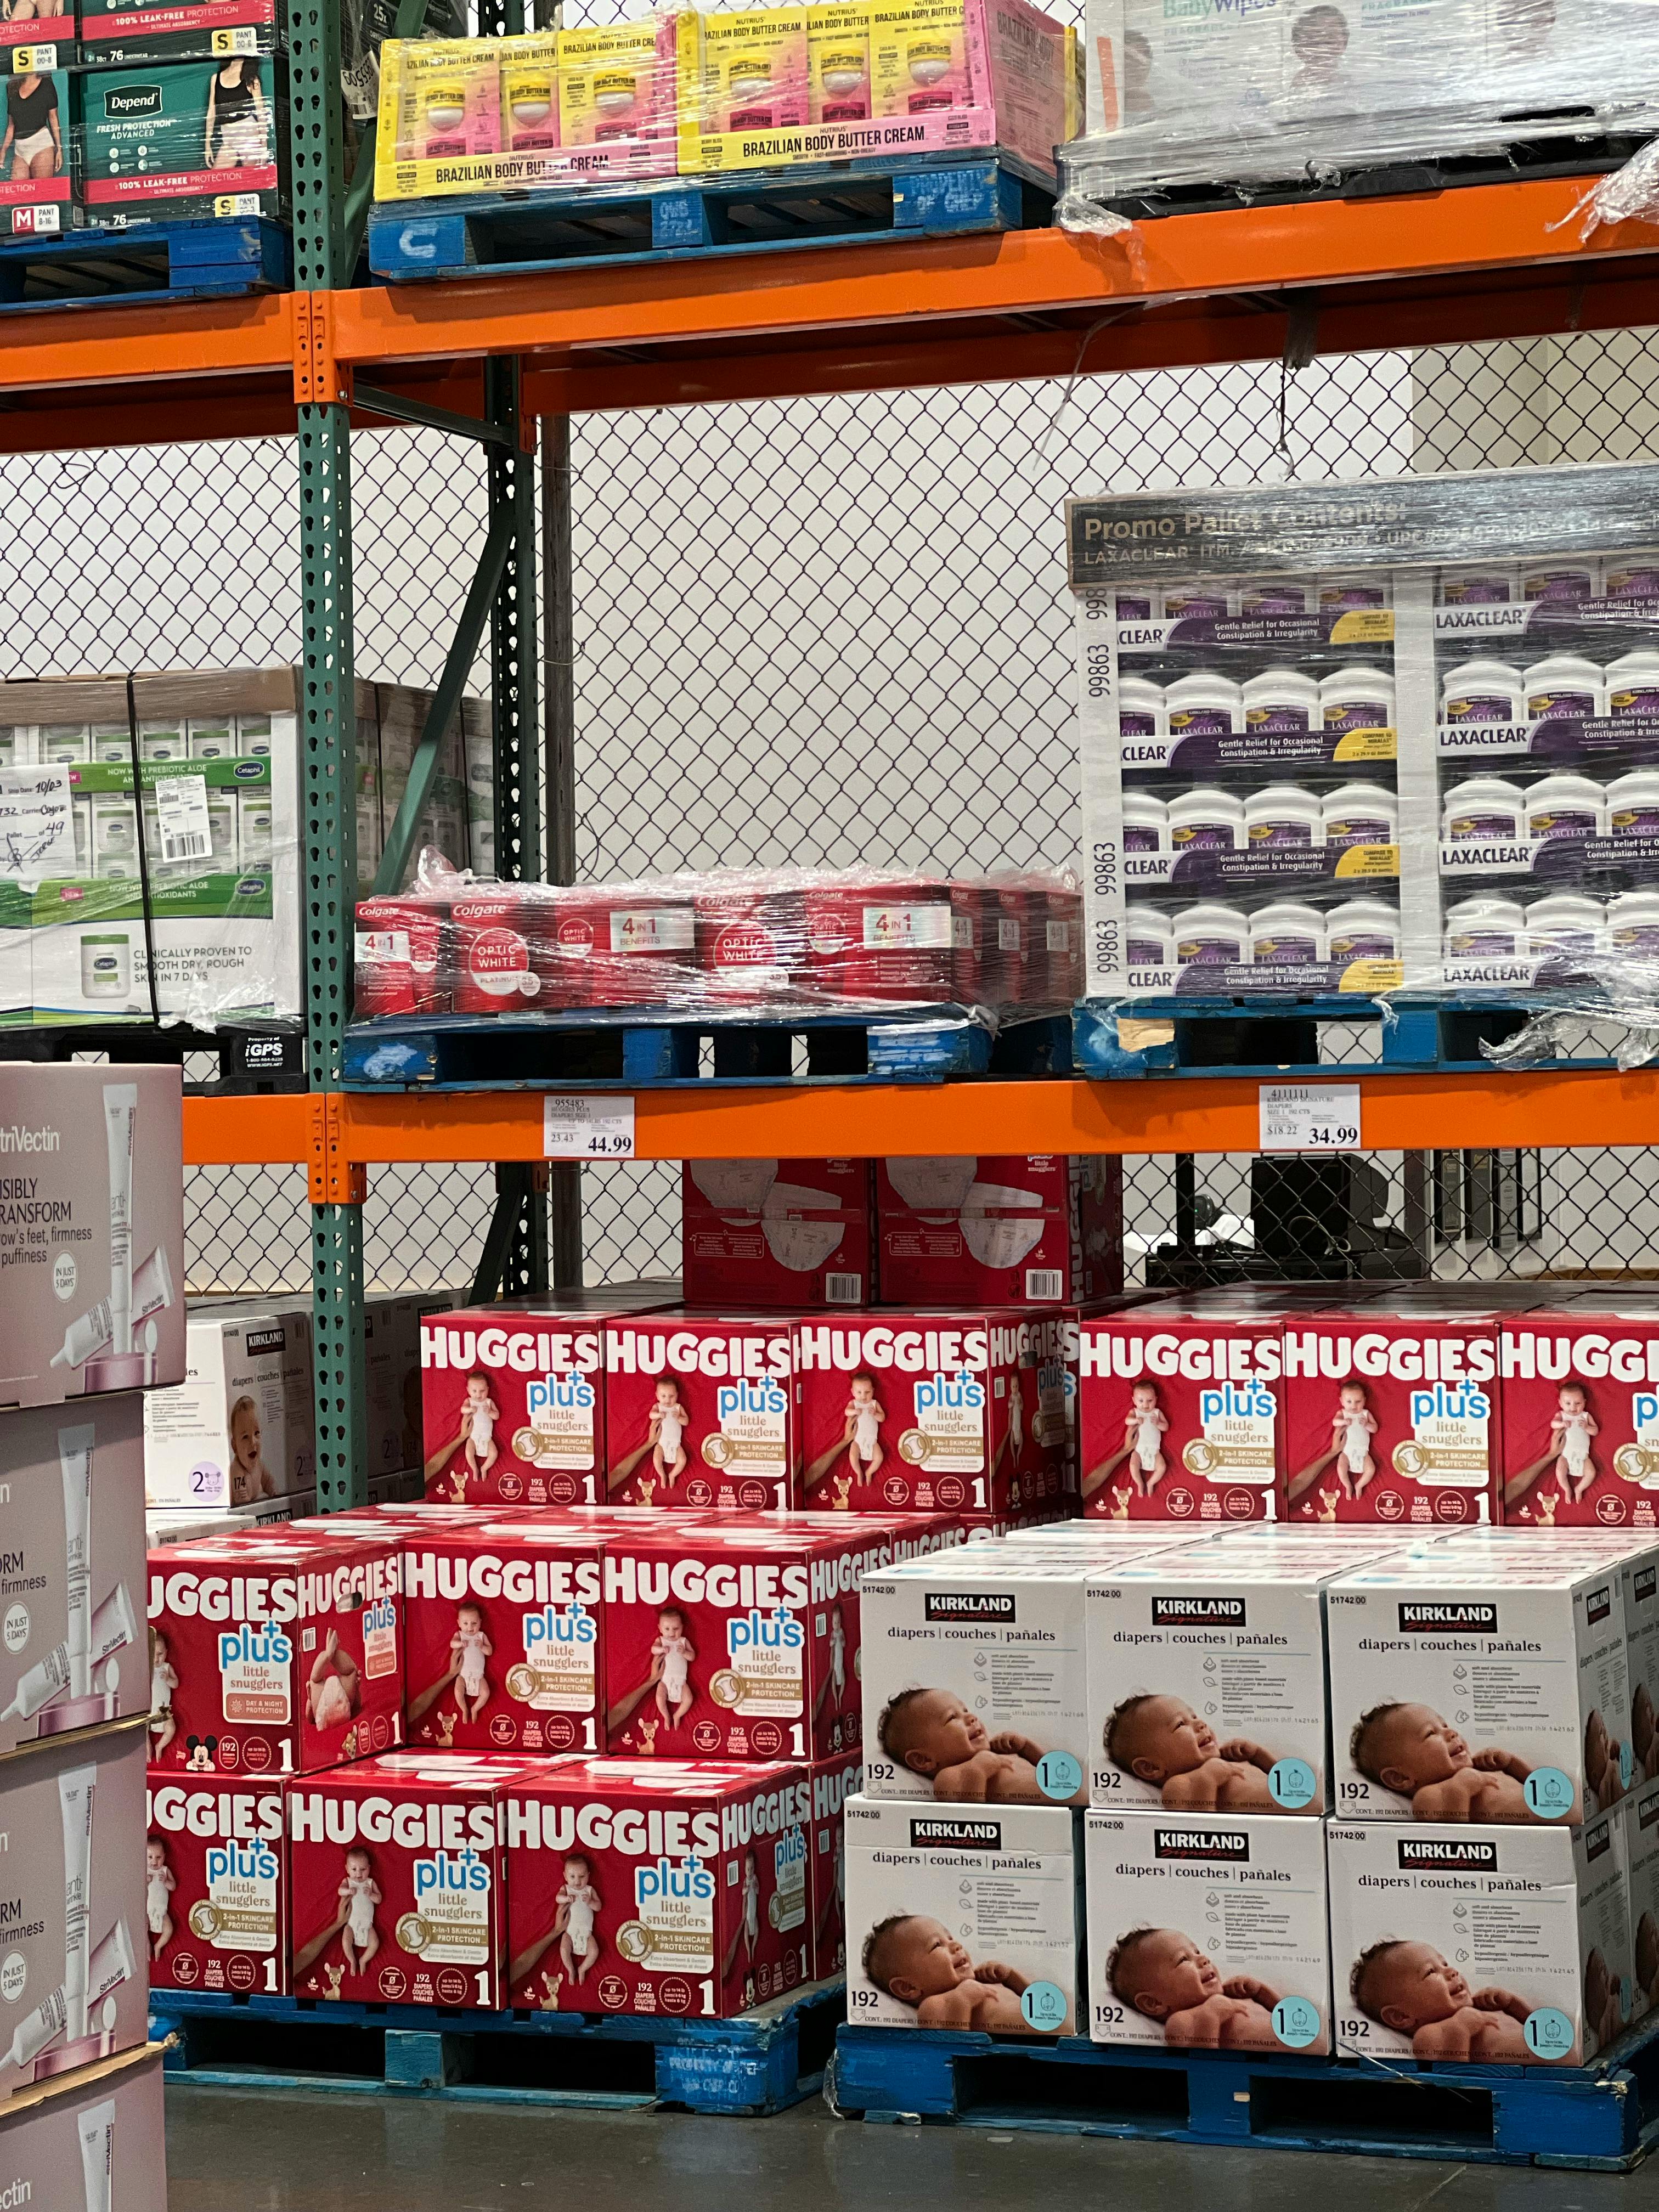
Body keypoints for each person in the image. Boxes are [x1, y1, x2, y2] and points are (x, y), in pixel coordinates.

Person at [877, 1685, 1076, 1803]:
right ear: (923, 1759)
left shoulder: (997, 1750)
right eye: (952, 1718)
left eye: (965, 1710)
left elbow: (1051, 1770)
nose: (971, 1717)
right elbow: (970, 1820)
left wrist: (1025, 1747)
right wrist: (978, 1771)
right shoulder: (949, 1777)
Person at [1350, 1940, 1543, 2059]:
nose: (1452, 1971)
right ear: (1400, 2016)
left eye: (1444, 1964)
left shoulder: (1480, 2005)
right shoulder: (1428, 2035)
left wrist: (1510, 2003)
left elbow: (1533, 2023)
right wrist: (1461, 2029)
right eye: (1431, 1972)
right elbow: (1452, 2075)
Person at [1349, 1701, 1538, 1819]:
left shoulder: (1480, 1766)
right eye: (1431, 1733)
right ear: (1400, 1778)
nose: (1451, 1733)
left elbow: (1534, 1783)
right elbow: (1454, 1840)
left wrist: (1511, 1763)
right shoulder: (1429, 1797)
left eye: (1445, 1725)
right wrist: (1460, 1790)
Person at [1107, 1927, 1284, 2049]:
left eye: (1197, 1952)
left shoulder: (1231, 1994)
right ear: (1153, 2003)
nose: (1204, 1959)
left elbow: (1286, 2013)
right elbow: (1201, 2064)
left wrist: (1260, 1991)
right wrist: (1211, 2016)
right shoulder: (1181, 2021)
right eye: (1183, 1959)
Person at [1105, 1692, 1282, 1809]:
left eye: (1194, 1717)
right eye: (1181, 1724)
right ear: (1150, 1768)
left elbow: (1280, 1776)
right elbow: (1199, 1832)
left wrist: (1257, 1754)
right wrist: (1208, 1779)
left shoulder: (1228, 1757)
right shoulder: (1179, 1785)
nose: (1201, 1724)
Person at [861, 1914, 1032, 2030]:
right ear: (908, 1987)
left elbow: (1038, 1999)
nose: (956, 1945)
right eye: (937, 1945)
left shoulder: (983, 1979)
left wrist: (1011, 1977)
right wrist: (962, 2001)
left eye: (950, 1938)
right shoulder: (934, 2006)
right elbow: (952, 2052)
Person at [205, 57, 269, 171]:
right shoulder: (216, 78)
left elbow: (261, 111)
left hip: (249, 136)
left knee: (250, 177)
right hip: (228, 137)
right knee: (217, 176)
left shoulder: (252, 80)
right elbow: (211, 112)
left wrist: (264, 144)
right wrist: (207, 145)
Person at [1, 71, 60, 188]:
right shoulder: (12, 87)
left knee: (43, 192)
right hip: (20, 149)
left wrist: (59, 149)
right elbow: (11, 125)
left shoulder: (46, 84)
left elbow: (53, 118)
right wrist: (3, 150)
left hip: (41, 144)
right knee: (19, 195)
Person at [556, 1854, 601, 1984]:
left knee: (594, 1951)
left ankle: (582, 1969)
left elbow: (599, 1906)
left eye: (582, 1877)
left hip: (587, 1934)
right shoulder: (566, 1889)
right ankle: (571, 1969)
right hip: (569, 1933)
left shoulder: (589, 1890)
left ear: (588, 1875)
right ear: (565, 1876)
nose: (577, 1882)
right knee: (564, 1950)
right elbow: (558, 1898)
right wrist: (565, 1898)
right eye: (572, 1877)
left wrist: (591, 1903)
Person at [338, 1846, 381, 1974]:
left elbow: (379, 1899)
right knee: (346, 1941)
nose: (359, 1873)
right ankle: (352, 1960)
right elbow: (340, 1891)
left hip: (367, 1925)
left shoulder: (370, 1883)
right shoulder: (348, 1882)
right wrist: (348, 1891)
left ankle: (363, 1960)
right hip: (351, 1924)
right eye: (354, 1869)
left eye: (363, 1869)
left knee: (375, 1943)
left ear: (369, 1868)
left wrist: (371, 1895)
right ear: (347, 1869)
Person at [227, 1394, 275, 1506]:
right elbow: (241, 1500)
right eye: (245, 1437)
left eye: (257, 1433)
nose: (253, 1442)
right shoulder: (237, 1470)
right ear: (235, 1447)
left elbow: (270, 1484)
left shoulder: (260, 1465)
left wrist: (274, 1494)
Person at [652, 1605, 696, 1729]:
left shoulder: (683, 1641)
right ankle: (666, 1715)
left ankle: (677, 1715)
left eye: (676, 1628)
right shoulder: (661, 1640)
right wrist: (661, 1649)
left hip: (681, 1682)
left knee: (689, 1699)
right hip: (665, 1681)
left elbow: (692, 1656)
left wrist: (684, 1653)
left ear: (682, 1627)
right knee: (660, 1697)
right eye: (667, 1629)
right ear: (660, 1629)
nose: (672, 1633)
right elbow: (653, 1649)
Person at [451, 1600, 493, 1724]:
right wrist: (459, 1643)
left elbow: (490, 1651)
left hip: (479, 1676)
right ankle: (464, 1709)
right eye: (466, 1623)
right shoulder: (459, 1635)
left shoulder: (481, 1636)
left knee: (486, 1693)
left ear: (480, 1623)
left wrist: (482, 1647)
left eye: (474, 1623)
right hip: (462, 1676)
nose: (470, 1627)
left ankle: (475, 1709)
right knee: (458, 1691)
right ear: (459, 1623)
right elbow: (452, 1644)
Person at [458, 1372, 499, 1486]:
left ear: (488, 1389)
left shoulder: (489, 1402)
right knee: (468, 1453)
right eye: (474, 1391)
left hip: (487, 1438)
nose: (478, 1395)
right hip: (473, 1436)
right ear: (468, 1390)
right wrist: (470, 1409)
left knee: (494, 1453)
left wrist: (490, 1412)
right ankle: (475, 1468)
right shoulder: (470, 1401)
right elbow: (463, 1410)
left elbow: (497, 1416)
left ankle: (484, 1468)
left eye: (482, 1391)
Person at [844, 1374, 885, 1485]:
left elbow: (882, 1418)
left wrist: (876, 1414)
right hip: (857, 1440)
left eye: (867, 1392)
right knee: (853, 1456)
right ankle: (859, 1473)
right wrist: (854, 1411)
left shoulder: (874, 1404)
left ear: (873, 1391)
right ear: (853, 1392)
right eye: (859, 1393)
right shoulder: (854, 1403)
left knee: (880, 1457)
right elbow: (847, 1412)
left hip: (872, 1441)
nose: (863, 1396)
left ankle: (869, 1472)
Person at [649, 1380, 689, 1482]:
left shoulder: (678, 1407)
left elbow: (686, 1421)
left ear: (677, 1395)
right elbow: (651, 1415)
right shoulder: (658, 1407)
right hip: (661, 1443)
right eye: (663, 1396)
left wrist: (679, 1417)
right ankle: (662, 1474)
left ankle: (673, 1475)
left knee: (683, 1460)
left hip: (676, 1445)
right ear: (657, 1396)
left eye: (671, 1396)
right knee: (657, 1460)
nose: (667, 1400)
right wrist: (658, 1415)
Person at [146, 1837, 176, 1962]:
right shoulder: (144, 1871)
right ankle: (148, 1945)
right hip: (147, 1911)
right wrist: (145, 1881)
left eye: (158, 1858)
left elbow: (173, 1887)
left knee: (169, 1929)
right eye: (150, 1857)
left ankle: (158, 1946)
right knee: (142, 1929)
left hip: (162, 1911)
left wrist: (166, 1881)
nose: (154, 1861)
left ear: (164, 1857)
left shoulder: (165, 1870)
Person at [150, 1628, 179, 1758]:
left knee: (171, 1728)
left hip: (163, 1710)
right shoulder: (146, 1667)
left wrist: (168, 1679)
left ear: (166, 1653)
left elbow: (176, 1684)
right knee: (141, 1730)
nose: (156, 1659)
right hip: (148, 1709)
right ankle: (148, 1747)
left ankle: (159, 1746)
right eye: (153, 1654)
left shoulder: (167, 1668)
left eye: (160, 1654)